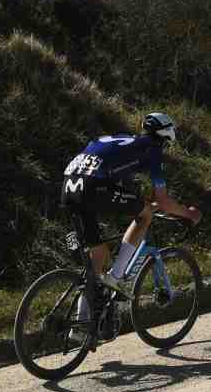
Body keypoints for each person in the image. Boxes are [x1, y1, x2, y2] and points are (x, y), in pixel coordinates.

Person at [61, 112, 201, 337]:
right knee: (145, 214)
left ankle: (81, 324)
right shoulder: (152, 149)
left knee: (97, 256)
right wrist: (188, 214)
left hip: (69, 186)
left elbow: (117, 174)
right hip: (92, 187)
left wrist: (141, 199)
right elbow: (163, 201)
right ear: (165, 137)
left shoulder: (125, 141)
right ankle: (117, 278)